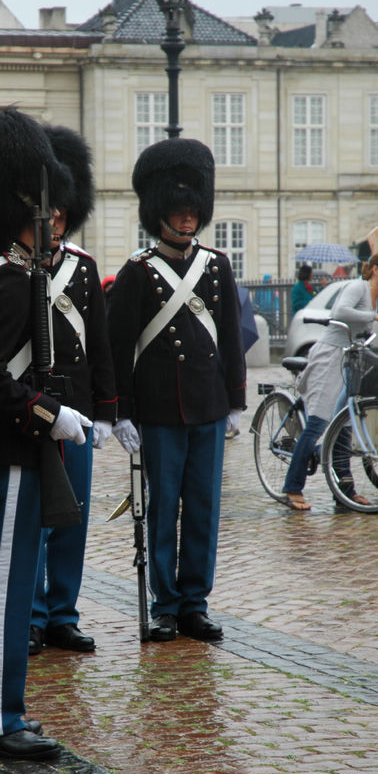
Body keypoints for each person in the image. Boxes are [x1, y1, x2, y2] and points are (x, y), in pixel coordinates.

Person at [0, 107, 91, 760]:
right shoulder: (5, 277)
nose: (51, 220)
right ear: (20, 209)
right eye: (42, 209)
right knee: (0, 584)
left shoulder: (5, 269)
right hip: (8, 452)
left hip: (2, 452)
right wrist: (48, 414)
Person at [108, 137, 246, 643]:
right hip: (161, 410)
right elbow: (119, 346)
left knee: (204, 511)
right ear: (159, 213)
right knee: (163, 511)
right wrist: (120, 410)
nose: (187, 220)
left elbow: (230, 337)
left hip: (207, 408)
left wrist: (235, 401)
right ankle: (163, 603)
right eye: (179, 212)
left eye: (193, 212)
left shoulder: (216, 266)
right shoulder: (138, 272)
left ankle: (194, 602)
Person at [28, 126, 117, 657]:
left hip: (78, 412)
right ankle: (34, 614)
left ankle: (63, 612)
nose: (56, 219)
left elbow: (100, 345)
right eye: (49, 210)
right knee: (38, 517)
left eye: (64, 210)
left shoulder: (82, 267)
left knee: (73, 519)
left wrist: (105, 411)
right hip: (35, 411)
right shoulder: (14, 265)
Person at [282, 255, 378, 511]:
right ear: (376, 270)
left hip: (353, 360)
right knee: (318, 422)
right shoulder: (359, 287)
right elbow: (339, 312)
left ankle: (344, 491)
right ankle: (292, 488)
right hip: (329, 355)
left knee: (344, 423)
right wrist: (374, 315)